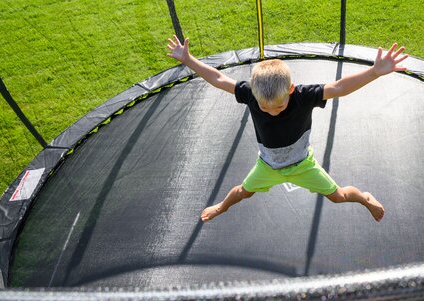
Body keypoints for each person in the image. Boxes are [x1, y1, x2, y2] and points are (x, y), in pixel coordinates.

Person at [166, 35, 408, 223]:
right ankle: (220, 207)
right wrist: (188, 60)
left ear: (290, 89)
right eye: (265, 107)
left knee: (339, 197)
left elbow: (339, 87)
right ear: (253, 92)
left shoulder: (303, 96)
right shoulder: (250, 93)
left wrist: (375, 72)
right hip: (268, 165)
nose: (272, 111)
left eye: (279, 106)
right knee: (242, 192)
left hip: (303, 164)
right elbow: (219, 80)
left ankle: (365, 198)